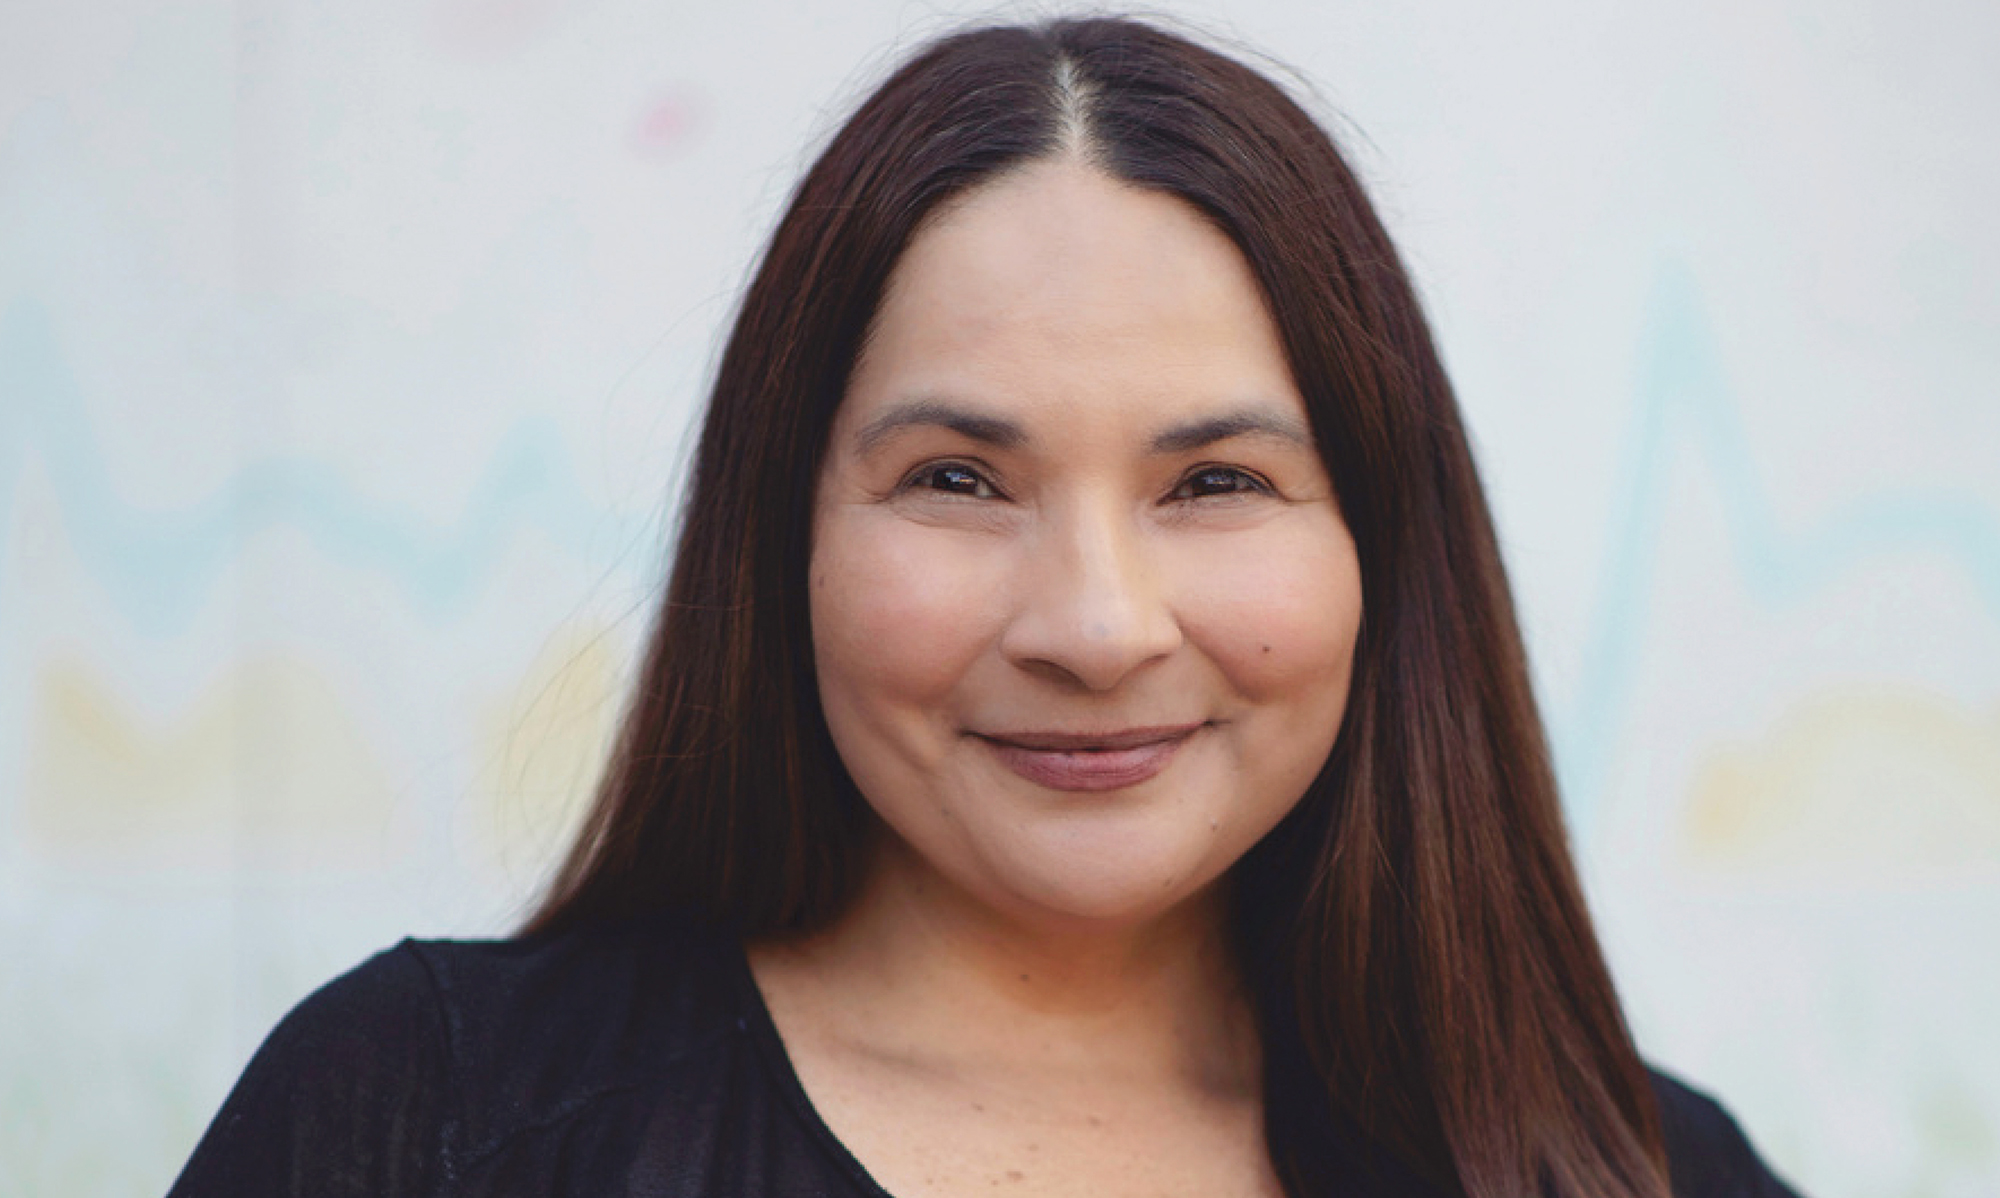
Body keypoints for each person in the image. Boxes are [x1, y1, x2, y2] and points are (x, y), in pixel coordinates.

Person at [168, 15, 1804, 1198]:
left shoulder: (1642, 1169)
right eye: (957, 477)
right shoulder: (431, 1119)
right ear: (782, 535)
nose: (1095, 627)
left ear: (1383, 545)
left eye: (1214, 480)